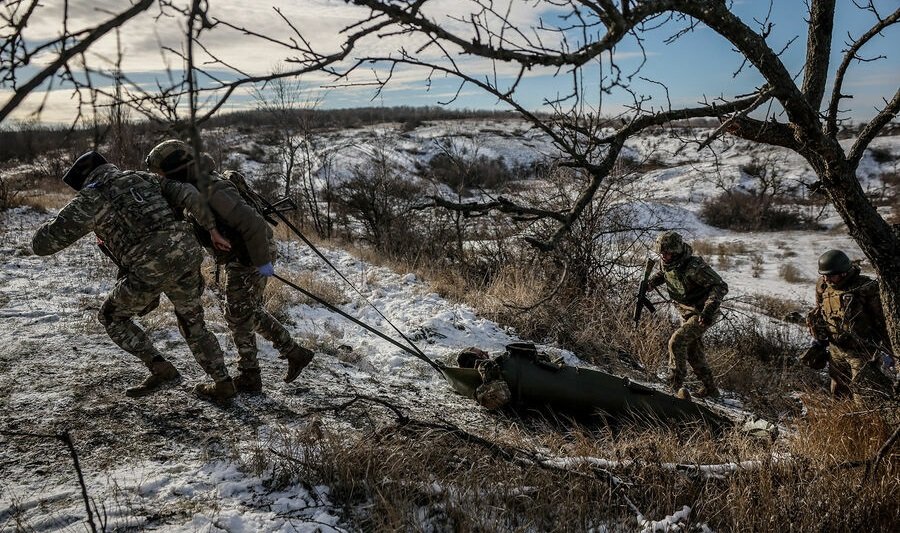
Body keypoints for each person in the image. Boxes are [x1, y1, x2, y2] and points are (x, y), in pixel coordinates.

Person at [31, 151, 237, 403]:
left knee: (111, 316)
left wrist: (59, 218)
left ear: (82, 181)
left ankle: (161, 369)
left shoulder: (88, 200)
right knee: (193, 322)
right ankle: (223, 382)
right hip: (186, 254)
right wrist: (211, 229)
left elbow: (42, 245)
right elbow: (189, 194)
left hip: (147, 267)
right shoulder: (143, 178)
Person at [145, 139, 314, 394]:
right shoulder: (194, 185)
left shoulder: (211, 188)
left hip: (251, 253)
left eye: (160, 172)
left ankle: (253, 374)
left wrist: (260, 263)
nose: (160, 178)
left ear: (171, 167)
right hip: (242, 254)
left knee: (238, 313)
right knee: (243, 311)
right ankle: (289, 355)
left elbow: (254, 225)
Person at [647, 231, 728, 399]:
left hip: (702, 313)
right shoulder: (667, 262)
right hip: (686, 312)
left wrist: (708, 310)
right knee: (692, 350)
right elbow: (664, 274)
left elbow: (720, 286)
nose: (664, 256)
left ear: (676, 251)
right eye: (662, 253)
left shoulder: (694, 266)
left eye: (668, 253)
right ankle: (711, 389)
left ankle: (674, 385)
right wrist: (652, 283)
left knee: (677, 341)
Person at [805, 249, 893, 401]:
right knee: (838, 392)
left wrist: (887, 350)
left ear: (844, 273)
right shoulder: (823, 286)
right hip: (835, 348)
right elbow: (821, 310)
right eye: (823, 275)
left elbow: (883, 320)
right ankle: (844, 422)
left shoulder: (867, 288)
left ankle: (868, 423)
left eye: (830, 275)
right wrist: (818, 341)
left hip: (862, 352)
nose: (826, 279)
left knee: (863, 395)